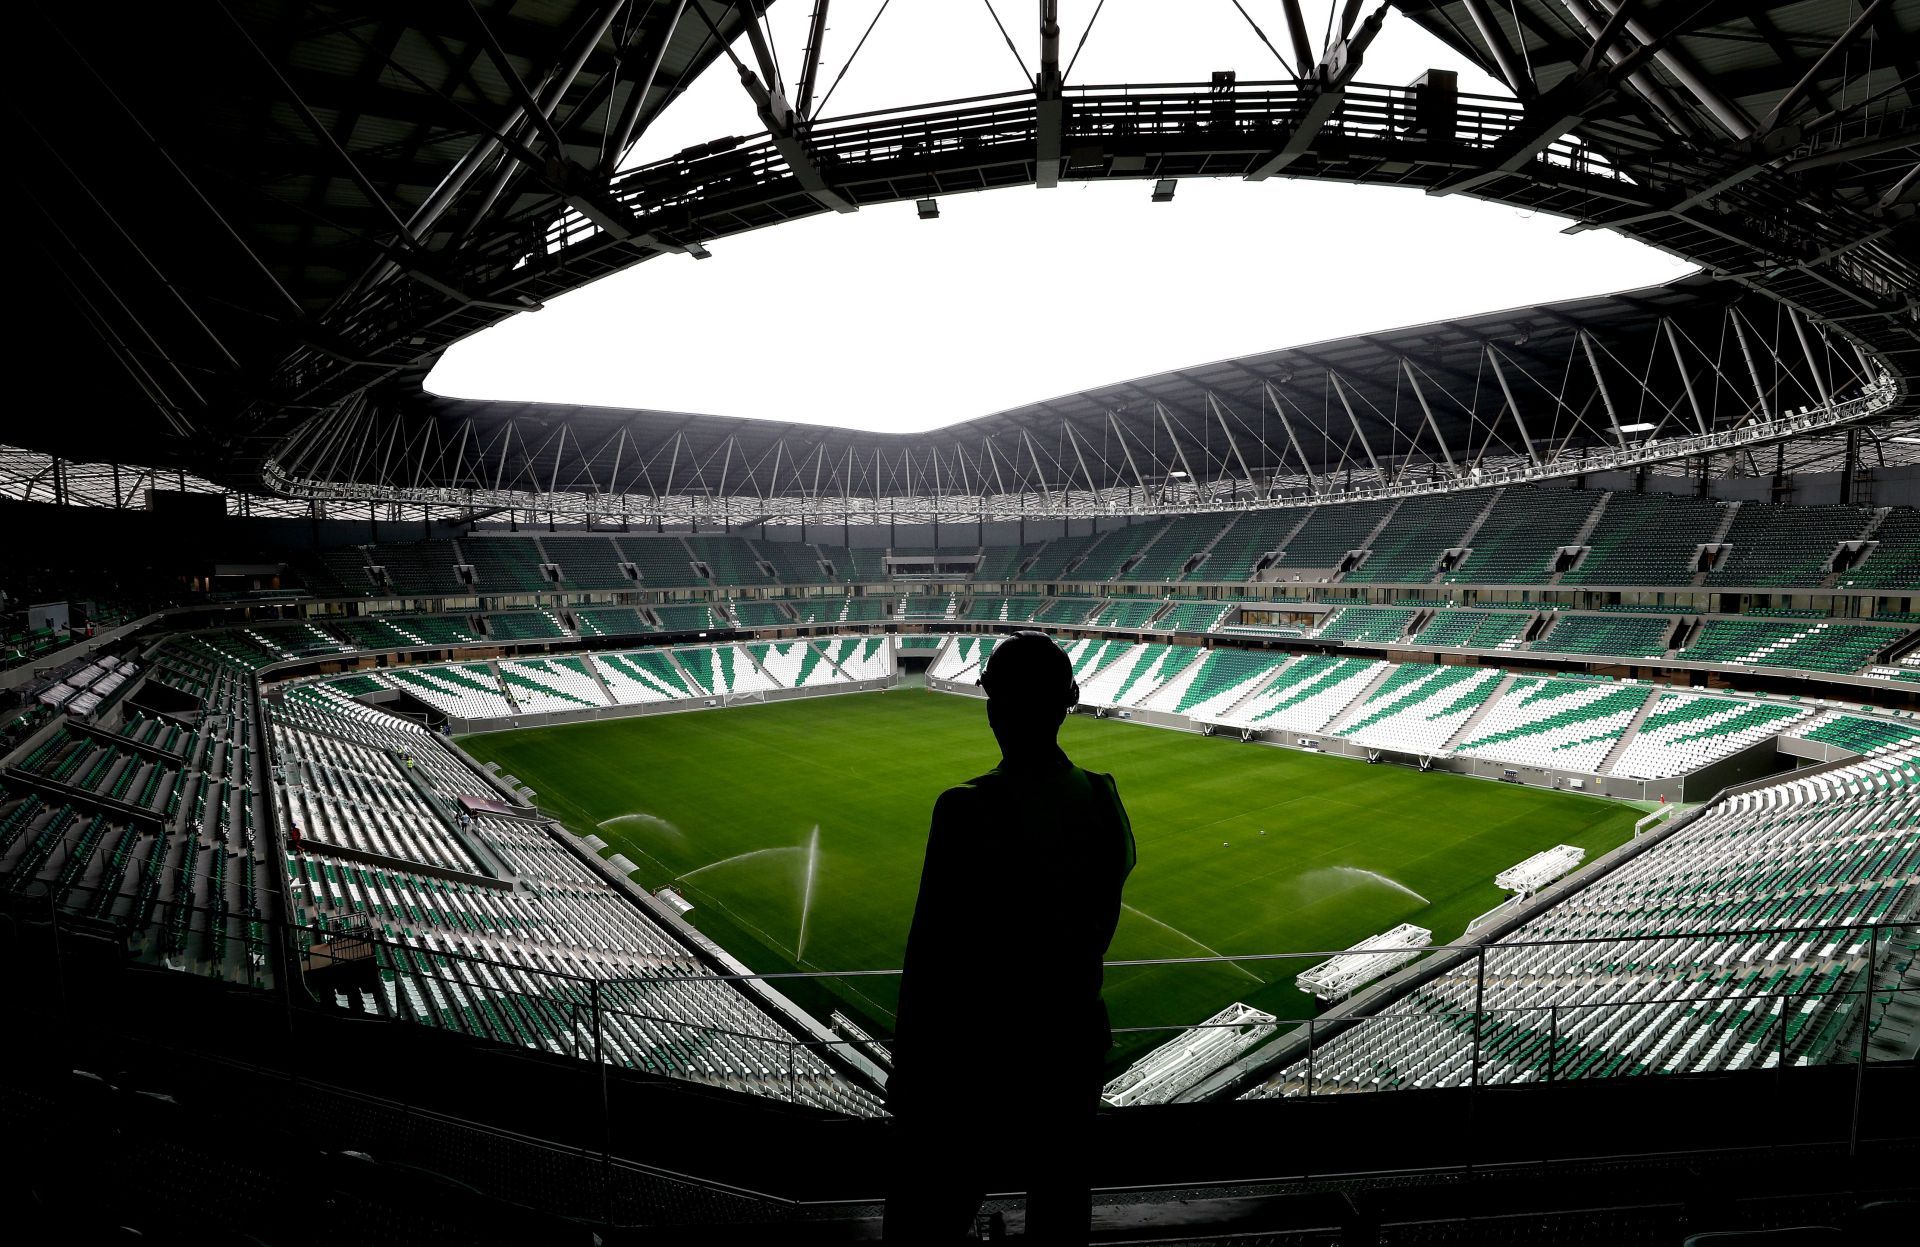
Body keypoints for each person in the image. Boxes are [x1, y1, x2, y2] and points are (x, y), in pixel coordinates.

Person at [883, 631, 1136, 1245]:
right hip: (1072, 1047)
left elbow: (930, 957)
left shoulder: (966, 809)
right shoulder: (1104, 797)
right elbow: (1099, 922)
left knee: (926, 1224)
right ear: (1069, 701)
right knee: (1060, 1216)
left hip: (975, 1063)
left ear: (994, 706)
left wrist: (908, 1069)